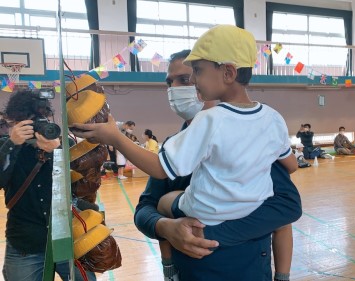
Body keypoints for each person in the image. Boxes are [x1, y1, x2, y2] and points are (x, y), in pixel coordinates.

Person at [73, 27, 301, 281]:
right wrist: (167, 228)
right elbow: (144, 210)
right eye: (171, 82)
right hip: (194, 271)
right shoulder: (269, 120)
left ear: (227, 73)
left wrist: (213, 236)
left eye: (193, 74)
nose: (188, 83)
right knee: (162, 202)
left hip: (245, 267)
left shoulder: (217, 124)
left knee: (167, 200)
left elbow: (288, 207)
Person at [0, 89, 96, 281]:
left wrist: (57, 151)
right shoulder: (6, 146)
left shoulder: (63, 143)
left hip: (68, 238)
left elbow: (87, 184)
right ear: (15, 122)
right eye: (28, 123)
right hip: (24, 244)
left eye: (39, 121)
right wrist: (12, 144)